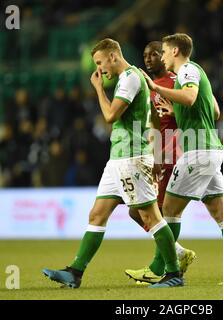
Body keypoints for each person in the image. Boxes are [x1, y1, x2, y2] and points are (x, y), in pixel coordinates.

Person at [42, 38, 183, 289]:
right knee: (97, 214)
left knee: (150, 216)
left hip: (131, 158)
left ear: (113, 57)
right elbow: (154, 117)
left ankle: (173, 274)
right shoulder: (131, 78)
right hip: (117, 159)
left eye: (100, 63)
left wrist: (98, 89)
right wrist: (156, 150)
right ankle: (75, 272)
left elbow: (109, 116)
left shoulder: (129, 79)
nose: (99, 69)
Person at [138, 33, 223, 285]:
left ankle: (164, 270)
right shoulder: (196, 72)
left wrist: (157, 88)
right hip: (210, 150)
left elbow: (191, 97)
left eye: (165, 51)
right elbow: (214, 110)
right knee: (221, 211)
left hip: (197, 151)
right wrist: (177, 109)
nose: (162, 56)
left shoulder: (187, 71)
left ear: (176, 51)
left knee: (169, 210)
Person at [125, 41, 196, 284]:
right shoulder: (144, 86)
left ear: (163, 56)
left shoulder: (176, 81)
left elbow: (195, 110)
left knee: (156, 211)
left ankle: (163, 268)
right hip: (152, 155)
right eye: (144, 55)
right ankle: (176, 252)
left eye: (154, 54)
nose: (148, 58)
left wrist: (175, 113)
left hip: (170, 155)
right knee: (137, 211)